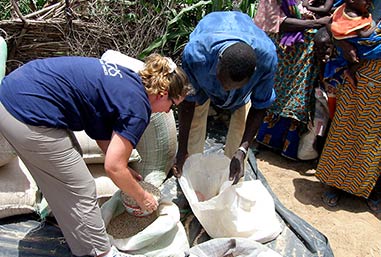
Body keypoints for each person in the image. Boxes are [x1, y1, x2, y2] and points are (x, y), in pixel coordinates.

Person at [0, 54, 191, 257]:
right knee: (81, 187)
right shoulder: (138, 109)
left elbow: (103, 135)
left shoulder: (131, 82)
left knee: (69, 168)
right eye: (173, 105)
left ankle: (77, 232)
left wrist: (125, 171)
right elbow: (113, 167)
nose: (169, 110)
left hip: (15, 92)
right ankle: (101, 253)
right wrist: (142, 197)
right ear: (162, 94)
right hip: (26, 112)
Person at [170, 11, 278, 184]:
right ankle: (191, 176)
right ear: (218, 62)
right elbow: (187, 103)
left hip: (241, 90)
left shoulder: (266, 60)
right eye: (223, 81)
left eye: (235, 86)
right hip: (205, 76)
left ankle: (231, 178)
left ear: (253, 74)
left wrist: (242, 150)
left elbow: (260, 106)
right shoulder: (196, 56)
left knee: (240, 128)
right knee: (195, 122)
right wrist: (182, 150)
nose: (225, 90)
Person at [315, 0, 381, 214]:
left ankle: (370, 191)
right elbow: (335, 20)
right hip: (360, 75)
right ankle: (334, 184)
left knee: (374, 141)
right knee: (346, 130)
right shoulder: (362, 7)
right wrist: (344, 46)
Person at [254, 0, 331, 160]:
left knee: (299, 100)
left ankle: (289, 146)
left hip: (305, 56)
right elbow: (278, 23)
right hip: (283, 51)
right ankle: (267, 139)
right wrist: (315, 22)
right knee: (276, 96)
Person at [328, 0, 381, 86]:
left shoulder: (342, 10)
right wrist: (375, 27)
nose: (369, 3)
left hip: (346, 44)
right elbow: (364, 35)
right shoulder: (356, 19)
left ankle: (350, 71)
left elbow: (330, 23)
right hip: (355, 45)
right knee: (369, 52)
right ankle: (350, 71)